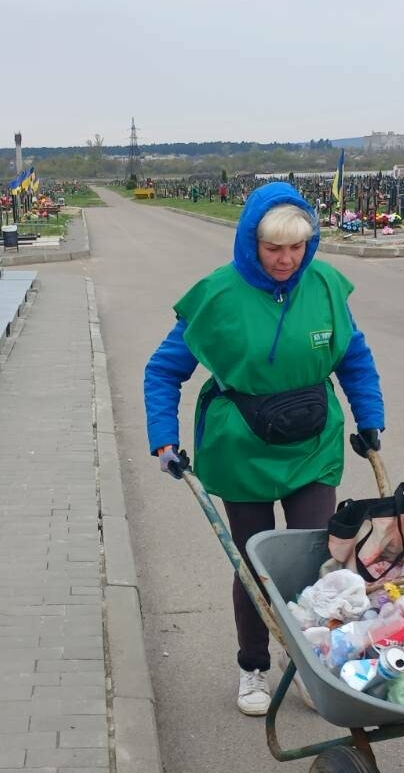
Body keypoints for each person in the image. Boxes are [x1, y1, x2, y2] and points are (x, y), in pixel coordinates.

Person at [143, 182, 385, 716]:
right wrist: (163, 437)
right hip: (241, 445)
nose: (285, 259)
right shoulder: (218, 296)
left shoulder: (324, 286)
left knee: (312, 557)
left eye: (297, 247)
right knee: (255, 563)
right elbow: (163, 370)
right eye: (273, 248)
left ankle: (306, 661)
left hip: (312, 440)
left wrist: (370, 418)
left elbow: (355, 357)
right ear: (251, 241)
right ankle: (252, 666)